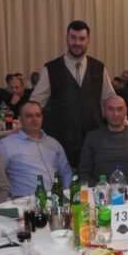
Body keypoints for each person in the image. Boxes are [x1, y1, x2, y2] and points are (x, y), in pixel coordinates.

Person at [30, 20, 116, 167]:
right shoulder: (51, 68)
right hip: (61, 143)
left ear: (88, 41)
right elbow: (36, 103)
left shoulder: (99, 68)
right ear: (66, 39)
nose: (77, 43)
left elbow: (111, 100)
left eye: (82, 38)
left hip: (93, 142)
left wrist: (126, 125)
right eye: (73, 38)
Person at [0, 101, 72, 196]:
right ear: (20, 119)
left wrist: (66, 194)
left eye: (38, 115)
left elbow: (65, 172)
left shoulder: (53, 143)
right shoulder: (6, 145)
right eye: (29, 116)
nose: (34, 119)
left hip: (56, 199)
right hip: (26, 201)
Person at [79, 95, 128, 186]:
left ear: (126, 111)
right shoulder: (92, 137)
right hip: (101, 191)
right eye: (111, 109)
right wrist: (101, 188)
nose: (115, 114)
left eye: (120, 109)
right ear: (104, 111)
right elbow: (84, 173)